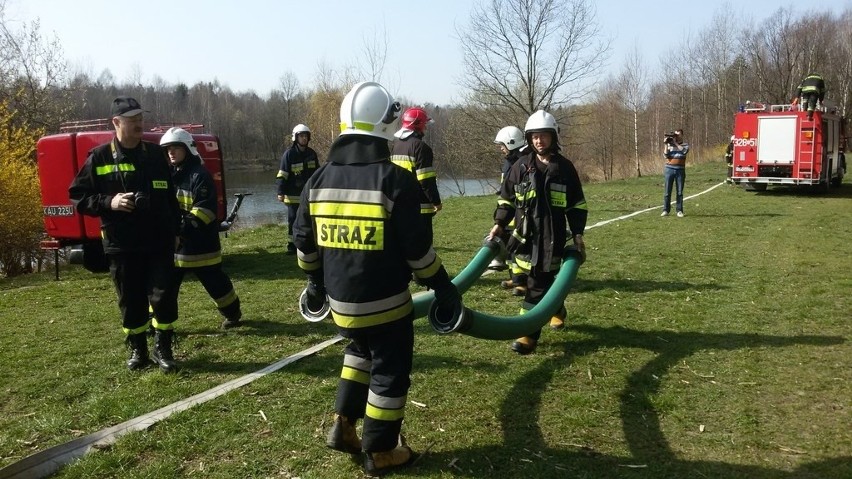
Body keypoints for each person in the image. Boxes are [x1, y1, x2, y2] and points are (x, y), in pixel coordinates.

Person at [293, 81, 461, 475]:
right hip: (386, 303)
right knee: (389, 369)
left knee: (359, 353)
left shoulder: (317, 181)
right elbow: (417, 252)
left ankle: (343, 426)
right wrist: (443, 287)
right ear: (385, 126)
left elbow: (304, 242)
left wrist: (316, 283)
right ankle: (381, 451)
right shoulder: (393, 181)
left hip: (340, 304)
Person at [68, 96, 182, 372]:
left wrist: (176, 231)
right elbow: (78, 196)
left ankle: (163, 347)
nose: (139, 124)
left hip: (158, 240)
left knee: (163, 296)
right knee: (130, 299)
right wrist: (110, 202)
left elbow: (169, 198)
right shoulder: (100, 157)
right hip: (122, 244)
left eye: (141, 119)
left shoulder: (155, 155)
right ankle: (138, 349)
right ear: (116, 123)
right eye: (133, 120)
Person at [488, 110, 588, 355]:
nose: (538, 141)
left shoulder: (564, 169)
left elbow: (577, 204)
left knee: (539, 282)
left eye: (544, 136)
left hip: (552, 239)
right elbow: (507, 200)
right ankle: (556, 310)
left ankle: (527, 333)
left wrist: (577, 233)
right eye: (534, 137)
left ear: (553, 137)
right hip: (525, 238)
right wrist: (499, 224)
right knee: (539, 281)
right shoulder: (521, 167)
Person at [159, 127, 243, 330]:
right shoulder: (168, 175)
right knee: (164, 287)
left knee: (216, 284)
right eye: (168, 149)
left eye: (176, 148)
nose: (171, 153)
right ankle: (160, 324)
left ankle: (233, 314)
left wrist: (180, 229)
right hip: (176, 247)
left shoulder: (200, 175)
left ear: (188, 149)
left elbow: (205, 211)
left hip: (201, 245)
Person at [391, 107, 442, 245]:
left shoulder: (395, 145)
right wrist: (436, 201)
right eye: (424, 124)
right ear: (418, 125)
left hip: (400, 204)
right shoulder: (420, 147)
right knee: (423, 246)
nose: (426, 127)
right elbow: (426, 180)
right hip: (420, 207)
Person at [492, 126, 528, 297]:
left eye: (502, 145)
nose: (501, 148)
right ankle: (515, 278)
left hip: (520, 215)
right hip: (509, 214)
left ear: (511, 143)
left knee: (521, 250)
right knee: (510, 250)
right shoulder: (509, 161)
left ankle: (523, 282)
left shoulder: (522, 161)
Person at [276, 123, 319, 254]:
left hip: (308, 196)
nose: (304, 139)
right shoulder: (289, 155)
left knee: (309, 220)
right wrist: (280, 192)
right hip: (292, 196)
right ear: (296, 138)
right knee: (293, 220)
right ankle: (292, 245)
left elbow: (317, 173)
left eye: (306, 136)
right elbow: (282, 175)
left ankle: (308, 243)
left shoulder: (312, 154)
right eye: (301, 136)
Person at [661, 129, 689, 217]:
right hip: (669, 169)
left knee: (679, 191)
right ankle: (666, 210)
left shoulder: (685, 145)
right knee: (667, 191)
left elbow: (684, 151)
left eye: (678, 135)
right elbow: (666, 155)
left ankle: (679, 210)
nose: (676, 137)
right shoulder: (670, 145)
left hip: (680, 170)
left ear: (682, 135)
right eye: (675, 135)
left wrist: (676, 143)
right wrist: (666, 144)